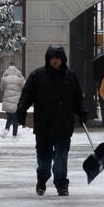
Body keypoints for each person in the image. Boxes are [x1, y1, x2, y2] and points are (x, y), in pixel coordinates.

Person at [16, 46, 87, 197]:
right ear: (48, 59)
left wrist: (82, 113)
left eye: (57, 58)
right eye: (52, 58)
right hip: (44, 126)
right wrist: (21, 110)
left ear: (62, 59)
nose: (55, 60)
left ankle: (61, 185)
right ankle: (42, 179)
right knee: (44, 162)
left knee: (61, 158)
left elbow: (77, 99)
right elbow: (27, 95)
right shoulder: (38, 76)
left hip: (63, 125)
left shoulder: (70, 77)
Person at [0, 62, 25, 138]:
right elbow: (24, 85)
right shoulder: (19, 79)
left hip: (8, 101)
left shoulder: (5, 79)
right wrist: (21, 76)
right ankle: (14, 135)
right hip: (16, 101)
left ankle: (6, 130)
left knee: (10, 117)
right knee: (15, 119)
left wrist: (3, 76)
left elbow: (1, 88)